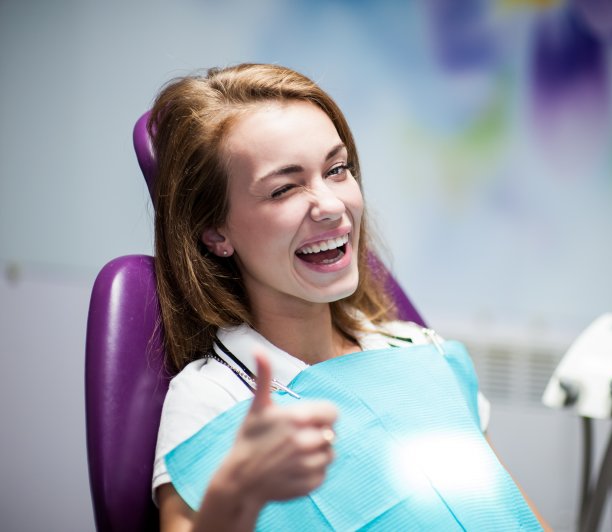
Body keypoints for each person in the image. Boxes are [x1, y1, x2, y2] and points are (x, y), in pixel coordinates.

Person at [149, 63, 549, 531]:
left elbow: (507, 512)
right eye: (283, 188)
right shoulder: (214, 398)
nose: (332, 205)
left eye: (337, 170)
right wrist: (232, 496)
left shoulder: (417, 351)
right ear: (215, 232)